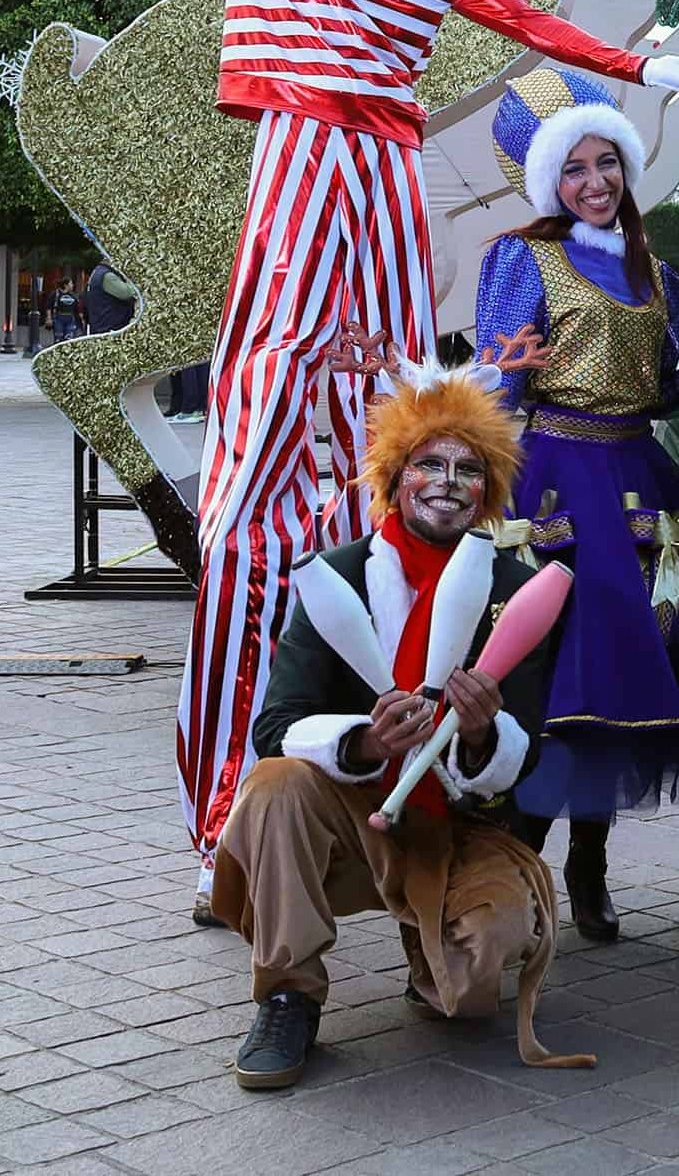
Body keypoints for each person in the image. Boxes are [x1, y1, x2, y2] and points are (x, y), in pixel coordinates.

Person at [72, 0, 679, 911]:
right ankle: (238, 800)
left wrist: (643, 67)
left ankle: (417, 789)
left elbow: (526, 23)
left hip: (377, 177)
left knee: (394, 404)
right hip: (300, 163)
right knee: (261, 458)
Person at [211, 360, 589, 1090]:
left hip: (463, 827)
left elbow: (529, 749)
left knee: (473, 988)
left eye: (468, 469)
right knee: (275, 785)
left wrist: (480, 735)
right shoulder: (338, 577)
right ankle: (288, 994)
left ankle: (431, 954)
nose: (449, 481)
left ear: (487, 491)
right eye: (429, 464)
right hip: (355, 818)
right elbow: (275, 725)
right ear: (395, 477)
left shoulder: (517, 591)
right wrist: (365, 741)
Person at [478, 65, 679, 943]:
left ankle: (588, 861)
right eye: (572, 168)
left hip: (638, 478)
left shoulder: (657, 272)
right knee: (556, 675)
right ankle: (515, 864)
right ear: (548, 179)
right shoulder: (522, 255)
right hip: (555, 479)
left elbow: (668, 386)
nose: (594, 181)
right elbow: (500, 382)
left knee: (629, 664)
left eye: (604, 162)